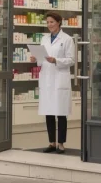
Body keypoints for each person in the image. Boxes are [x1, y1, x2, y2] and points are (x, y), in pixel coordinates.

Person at [30, 12, 75, 154]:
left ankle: (61, 143)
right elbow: (41, 58)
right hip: (47, 78)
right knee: (48, 112)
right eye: (47, 22)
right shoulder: (44, 39)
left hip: (59, 78)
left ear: (59, 22)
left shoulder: (67, 39)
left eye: (52, 22)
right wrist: (34, 59)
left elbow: (71, 60)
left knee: (61, 113)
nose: (49, 25)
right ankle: (51, 143)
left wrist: (56, 60)